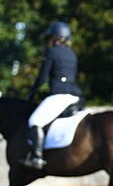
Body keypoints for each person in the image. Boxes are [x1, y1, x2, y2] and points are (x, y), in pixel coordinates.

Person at [24, 21, 84, 170]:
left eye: (52, 38)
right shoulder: (72, 54)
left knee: (35, 121)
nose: (51, 41)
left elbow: (43, 77)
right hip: (75, 96)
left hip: (59, 95)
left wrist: (33, 92)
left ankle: (37, 157)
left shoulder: (52, 52)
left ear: (57, 38)